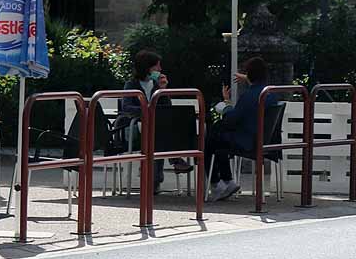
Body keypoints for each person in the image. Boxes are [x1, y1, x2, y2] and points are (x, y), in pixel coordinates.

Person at [205, 57, 280, 202]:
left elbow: (232, 120)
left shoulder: (248, 96)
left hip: (247, 140)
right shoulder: (270, 93)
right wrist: (248, 77)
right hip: (266, 140)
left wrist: (226, 105)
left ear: (249, 74)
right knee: (219, 144)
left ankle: (217, 183)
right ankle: (227, 181)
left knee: (210, 140)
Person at [119, 50, 192, 193]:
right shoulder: (131, 84)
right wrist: (148, 111)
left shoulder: (156, 85)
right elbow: (127, 108)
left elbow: (167, 109)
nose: (160, 70)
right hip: (135, 127)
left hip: (154, 128)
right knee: (157, 132)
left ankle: (154, 181)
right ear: (147, 68)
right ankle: (175, 161)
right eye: (157, 67)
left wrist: (163, 90)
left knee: (158, 134)